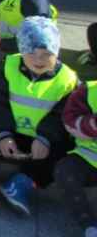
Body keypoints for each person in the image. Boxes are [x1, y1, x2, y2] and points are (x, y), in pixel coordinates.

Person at [0, 17, 77, 216]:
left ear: (56, 52)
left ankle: (20, 185)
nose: (39, 60)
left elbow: (63, 115)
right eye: (31, 53)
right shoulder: (8, 66)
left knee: (61, 151)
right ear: (22, 51)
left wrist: (45, 138)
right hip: (9, 130)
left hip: (41, 139)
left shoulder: (68, 79)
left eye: (47, 54)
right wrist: (3, 134)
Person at [55, 71, 97, 235]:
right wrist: (92, 124)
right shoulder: (88, 90)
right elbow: (69, 120)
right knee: (65, 170)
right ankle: (88, 224)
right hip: (88, 157)